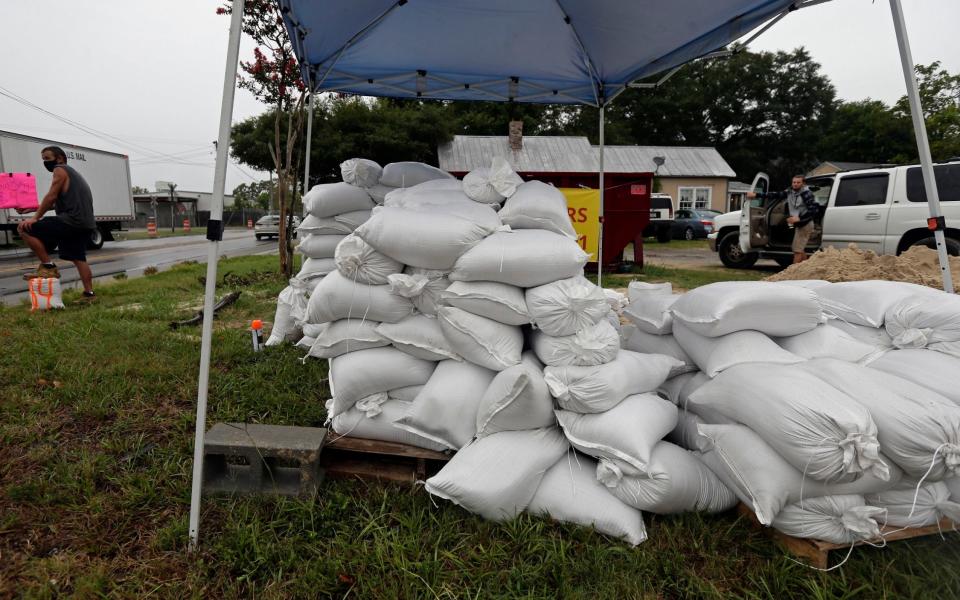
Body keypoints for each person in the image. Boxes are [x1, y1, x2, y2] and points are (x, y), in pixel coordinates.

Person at [16, 146, 96, 299]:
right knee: (79, 258)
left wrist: (35, 218)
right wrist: (30, 209)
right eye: (43, 159)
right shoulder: (73, 175)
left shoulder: (60, 169)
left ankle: (48, 267)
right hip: (84, 224)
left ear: (59, 158)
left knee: (25, 228)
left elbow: (51, 196)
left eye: (47, 158)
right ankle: (89, 294)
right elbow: (55, 203)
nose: (45, 162)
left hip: (71, 221)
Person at [746, 174, 820, 264]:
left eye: (798, 182)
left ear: (803, 184)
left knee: (797, 250)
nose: (795, 184)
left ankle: (792, 273)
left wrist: (799, 218)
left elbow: (814, 210)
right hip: (798, 225)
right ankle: (806, 268)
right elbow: (776, 195)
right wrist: (757, 195)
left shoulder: (807, 194)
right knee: (799, 248)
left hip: (805, 225)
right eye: (794, 182)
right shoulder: (790, 191)